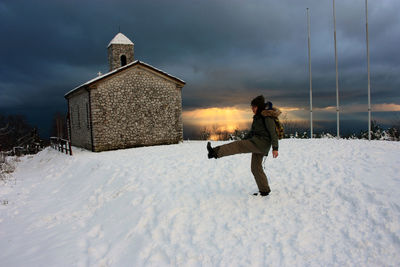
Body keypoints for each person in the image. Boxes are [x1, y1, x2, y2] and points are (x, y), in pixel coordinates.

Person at [207, 95, 280, 196]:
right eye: (252, 107)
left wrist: (275, 148)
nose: (252, 109)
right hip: (258, 142)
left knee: (238, 146)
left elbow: (273, 134)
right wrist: (244, 140)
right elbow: (252, 132)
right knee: (255, 167)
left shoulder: (267, 117)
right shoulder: (258, 117)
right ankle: (264, 190)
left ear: (259, 107)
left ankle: (215, 152)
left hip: (261, 144)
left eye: (254, 107)